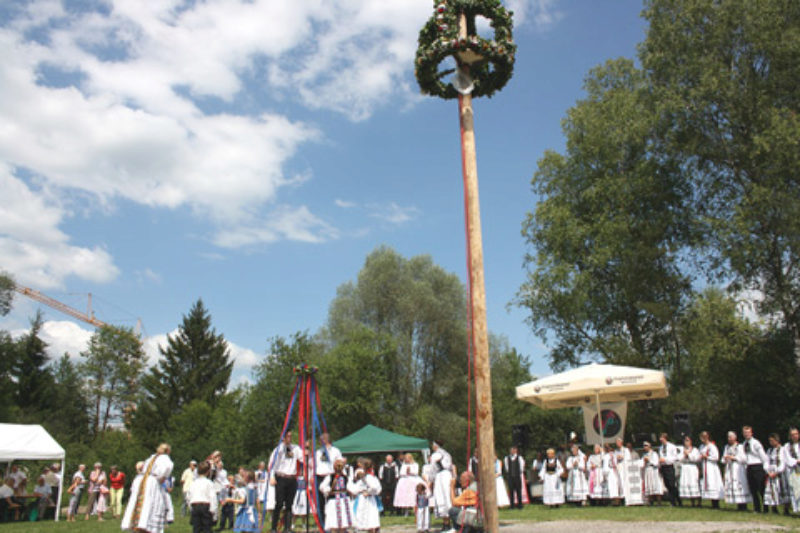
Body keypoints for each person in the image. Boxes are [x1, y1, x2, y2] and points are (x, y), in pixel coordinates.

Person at [122, 443, 174, 533]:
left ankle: (139, 524)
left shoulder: (151, 457)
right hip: (152, 482)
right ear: (168, 451)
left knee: (141, 503)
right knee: (152, 505)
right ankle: (146, 527)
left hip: (141, 480)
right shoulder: (165, 459)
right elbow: (163, 474)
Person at [268, 431, 302, 533]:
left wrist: (307, 450)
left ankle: (287, 528)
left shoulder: (295, 448)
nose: (289, 438)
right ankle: (274, 527)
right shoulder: (278, 449)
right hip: (281, 477)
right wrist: (271, 477)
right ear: (283, 438)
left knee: (289, 504)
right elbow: (271, 464)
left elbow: (303, 458)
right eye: (287, 436)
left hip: (291, 478)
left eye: (291, 436)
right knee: (279, 503)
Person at [314, 432, 341, 525]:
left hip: (330, 476)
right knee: (320, 502)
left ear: (326, 440)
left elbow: (339, 463)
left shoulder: (335, 451)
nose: (320, 442)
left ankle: (333, 522)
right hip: (319, 476)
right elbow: (314, 465)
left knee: (331, 501)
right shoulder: (318, 452)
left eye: (322, 440)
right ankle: (322, 523)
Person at [348, 458, 381, 533]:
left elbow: (375, 488)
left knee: (369, 521)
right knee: (370, 521)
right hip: (370, 500)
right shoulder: (370, 477)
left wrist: (368, 492)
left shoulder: (367, 477)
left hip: (366, 501)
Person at [319, 459, 352, 533]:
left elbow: (322, 487)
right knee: (340, 523)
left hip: (340, 501)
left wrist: (328, 491)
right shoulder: (344, 477)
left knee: (336, 523)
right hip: (339, 501)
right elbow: (351, 488)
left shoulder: (336, 477)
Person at [743, 425, 769, 513]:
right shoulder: (744, 444)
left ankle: (765, 507)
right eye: (745, 433)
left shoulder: (756, 443)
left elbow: (763, 456)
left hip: (757, 466)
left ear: (751, 433)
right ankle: (757, 508)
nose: (746, 434)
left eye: (748, 432)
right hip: (749, 466)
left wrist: (765, 467)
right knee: (753, 489)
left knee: (761, 488)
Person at [722, 431, 750, 511]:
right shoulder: (726, 447)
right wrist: (726, 458)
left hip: (738, 468)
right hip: (730, 467)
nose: (729, 439)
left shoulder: (740, 446)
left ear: (735, 438)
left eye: (730, 437)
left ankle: (743, 505)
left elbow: (744, 458)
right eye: (728, 437)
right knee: (732, 485)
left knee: (740, 484)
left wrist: (733, 457)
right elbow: (723, 457)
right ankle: (737, 503)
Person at [189, 461, 218, 533]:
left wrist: (191, 508)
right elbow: (213, 498)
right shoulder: (209, 483)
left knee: (196, 528)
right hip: (205, 506)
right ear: (208, 472)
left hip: (195, 506)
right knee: (207, 528)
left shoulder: (193, 483)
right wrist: (214, 512)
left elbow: (189, 496)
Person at [430, 440, 454, 527]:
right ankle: (448, 521)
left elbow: (432, 469)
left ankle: (446, 523)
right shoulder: (447, 454)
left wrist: (431, 481)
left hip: (441, 476)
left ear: (436, 446)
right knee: (447, 497)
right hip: (447, 475)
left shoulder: (435, 455)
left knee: (441, 497)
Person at [698, 431, 723, 508]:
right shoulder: (701, 447)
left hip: (711, 467)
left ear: (707, 437)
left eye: (704, 437)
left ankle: (716, 503)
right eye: (702, 437)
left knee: (713, 483)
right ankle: (710, 501)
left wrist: (707, 457)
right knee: (707, 483)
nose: (703, 439)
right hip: (704, 466)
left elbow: (716, 457)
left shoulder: (712, 446)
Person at [764, 433, 786, 514]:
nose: (771, 442)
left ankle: (785, 509)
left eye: (772, 441)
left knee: (781, 489)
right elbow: (766, 461)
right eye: (770, 441)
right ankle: (774, 507)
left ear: (777, 440)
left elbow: (783, 462)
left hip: (779, 472)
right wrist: (768, 471)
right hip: (771, 471)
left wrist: (778, 471)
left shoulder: (782, 449)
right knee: (772, 490)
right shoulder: (769, 450)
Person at [658, 432, 680, 506]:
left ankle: (674, 501)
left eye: (661, 438)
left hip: (669, 466)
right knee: (667, 484)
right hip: (663, 467)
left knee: (671, 484)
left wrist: (665, 460)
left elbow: (675, 457)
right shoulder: (661, 448)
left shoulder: (671, 446)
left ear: (665, 438)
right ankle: (674, 500)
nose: (660, 439)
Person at [678, 436, 701, 507]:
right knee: (687, 483)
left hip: (692, 467)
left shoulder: (695, 449)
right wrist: (684, 455)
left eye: (687, 440)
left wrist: (689, 454)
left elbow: (697, 458)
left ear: (691, 441)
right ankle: (691, 501)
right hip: (685, 468)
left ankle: (698, 502)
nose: (686, 442)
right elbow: (679, 459)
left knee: (693, 483)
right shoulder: (682, 450)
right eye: (685, 441)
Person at [782, 427, 800, 515]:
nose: (794, 436)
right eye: (792, 435)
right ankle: (797, 508)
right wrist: (796, 461)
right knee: (794, 489)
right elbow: (787, 458)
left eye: (796, 434)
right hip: (793, 469)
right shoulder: (787, 446)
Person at [503, 445, 525, 509]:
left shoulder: (520, 458)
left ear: (516, 450)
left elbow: (521, 467)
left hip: (517, 476)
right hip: (510, 477)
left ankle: (520, 505)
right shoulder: (506, 458)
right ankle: (511, 505)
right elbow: (507, 468)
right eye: (511, 450)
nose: (512, 451)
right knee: (511, 491)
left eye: (513, 450)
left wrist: (518, 473)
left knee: (518, 491)